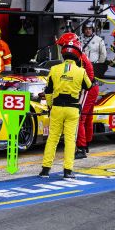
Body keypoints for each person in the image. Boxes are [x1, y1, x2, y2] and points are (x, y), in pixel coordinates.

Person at [40, 38, 92, 180]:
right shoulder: (81, 71)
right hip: (72, 109)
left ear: (63, 54)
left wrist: (50, 106)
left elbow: (48, 91)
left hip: (56, 108)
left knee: (52, 139)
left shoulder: (54, 69)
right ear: (78, 56)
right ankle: (68, 172)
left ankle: (45, 170)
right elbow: (89, 86)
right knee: (70, 140)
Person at [57, 33, 98, 159]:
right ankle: (86, 144)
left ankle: (81, 148)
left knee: (79, 117)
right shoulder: (80, 55)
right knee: (87, 118)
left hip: (87, 89)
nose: (62, 49)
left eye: (62, 46)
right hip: (92, 88)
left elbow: (79, 78)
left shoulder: (77, 58)